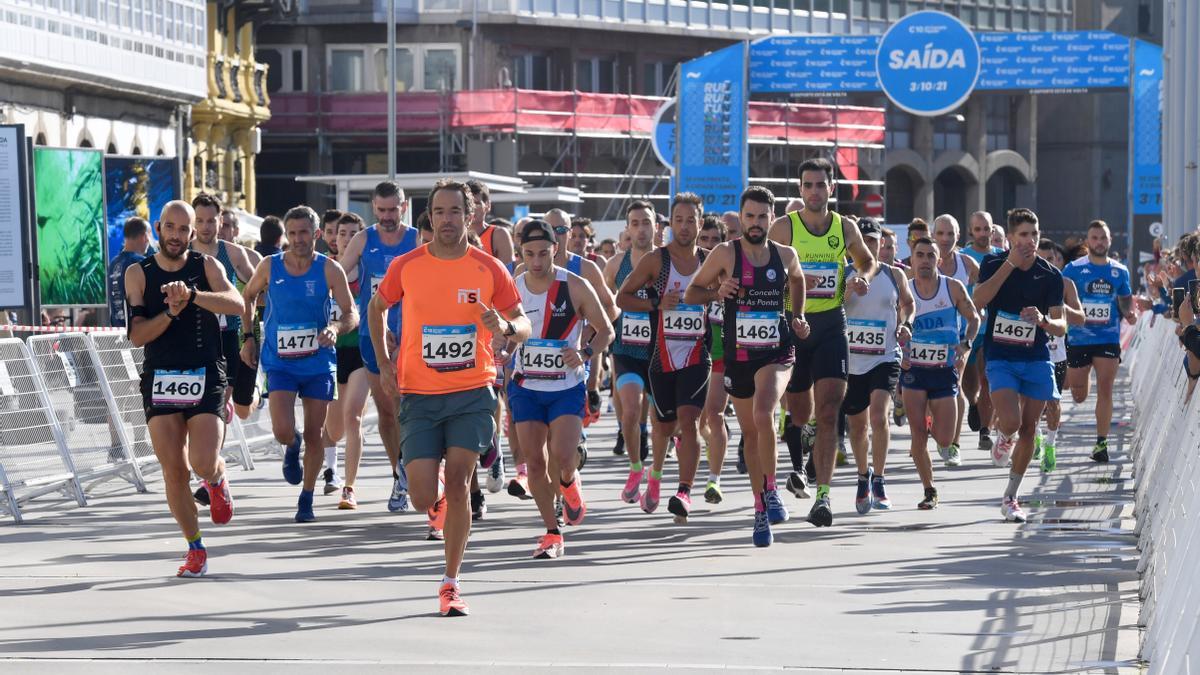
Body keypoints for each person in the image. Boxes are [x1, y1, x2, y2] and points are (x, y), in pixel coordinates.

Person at [369, 178, 531, 617]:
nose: (446, 219)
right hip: (419, 394)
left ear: (470, 214)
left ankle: (451, 582)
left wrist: (507, 329)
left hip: (472, 390)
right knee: (423, 496)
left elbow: (522, 322)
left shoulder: (488, 268)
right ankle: (434, 501)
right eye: (439, 212)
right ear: (429, 216)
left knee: (460, 481)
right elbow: (376, 308)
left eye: (455, 211)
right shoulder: (408, 265)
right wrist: (384, 363)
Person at [124, 200, 245, 577]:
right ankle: (195, 547)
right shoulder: (138, 273)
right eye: (170, 228)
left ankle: (216, 477)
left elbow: (237, 304)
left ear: (193, 234)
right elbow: (137, 335)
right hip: (160, 376)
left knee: (201, 462)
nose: (176, 236)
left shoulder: (206, 265)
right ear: (158, 228)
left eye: (183, 230)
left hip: (206, 372)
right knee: (173, 470)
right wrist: (172, 311)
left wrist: (192, 297)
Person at [686, 185, 809, 545]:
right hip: (739, 354)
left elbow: (798, 279)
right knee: (752, 434)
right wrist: (717, 293)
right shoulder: (726, 253)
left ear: (773, 218)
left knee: (763, 412)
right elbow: (693, 292)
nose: (756, 223)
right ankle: (759, 510)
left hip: (777, 350)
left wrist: (797, 315)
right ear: (741, 218)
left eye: (762, 216)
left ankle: (771, 489)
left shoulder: (785, 255)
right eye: (750, 216)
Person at [770, 158, 877, 528]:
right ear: (800, 190)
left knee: (831, 410)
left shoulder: (844, 227)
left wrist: (860, 277)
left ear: (832, 189)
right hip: (794, 325)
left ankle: (824, 497)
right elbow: (762, 272)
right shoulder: (783, 228)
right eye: (808, 185)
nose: (815, 191)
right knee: (801, 414)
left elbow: (867, 261)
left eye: (821, 185)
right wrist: (790, 285)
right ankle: (806, 432)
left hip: (831, 325)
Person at [239, 206, 357, 522]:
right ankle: (292, 445)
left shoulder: (330, 270)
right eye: (291, 233)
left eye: (303, 232)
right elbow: (247, 296)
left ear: (316, 234)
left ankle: (306, 498)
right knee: (280, 429)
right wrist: (248, 336)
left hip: (318, 363)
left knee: (316, 433)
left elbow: (351, 313)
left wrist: (334, 328)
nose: (297, 239)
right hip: (280, 362)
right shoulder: (269, 266)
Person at [507, 219, 613, 557]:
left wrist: (583, 352)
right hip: (526, 386)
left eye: (543, 253)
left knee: (564, 456)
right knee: (535, 464)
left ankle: (568, 482)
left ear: (555, 250)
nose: (536, 262)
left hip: (566, 386)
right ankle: (552, 532)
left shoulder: (575, 285)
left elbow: (606, 330)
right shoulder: (513, 287)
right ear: (520, 253)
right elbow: (504, 335)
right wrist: (503, 349)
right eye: (528, 254)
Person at [617, 193, 712, 521]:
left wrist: (717, 295)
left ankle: (684, 492)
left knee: (689, 421)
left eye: (691, 220)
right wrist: (657, 304)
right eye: (679, 220)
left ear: (701, 222)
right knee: (664, 425)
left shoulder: (711, 260)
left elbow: (730, 292)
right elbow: (622, 297)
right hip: (661, 359)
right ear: (670, 224)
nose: (685, 227)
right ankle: (654, 475)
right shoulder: (656, 261)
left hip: (698, 355)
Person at [972, 208, 1067, 523]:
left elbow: (1061, 324)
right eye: (1023, 235)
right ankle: (1003, 437)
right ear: (1011, 237)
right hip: (1000, 356)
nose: (1030, 240)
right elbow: (979, 300)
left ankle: (1011, 496)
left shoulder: (1050, 274)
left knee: (1030, 427)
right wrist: (1010, 264)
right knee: (1011, 421)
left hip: (1036, 357)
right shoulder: (993, 263)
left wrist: (1043, 320)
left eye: (1034, 234)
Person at [336, 181, 420, 514]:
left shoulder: (416, 239)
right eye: (381, 210)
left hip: (412, 335)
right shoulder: (363, 239)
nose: (387, 216)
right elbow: (338, 273)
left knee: (410, 407)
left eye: (393, 209)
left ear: (404, 205)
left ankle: (420, 469)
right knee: (387, 411)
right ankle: (399, 473)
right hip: (373, 336)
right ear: (373, 207)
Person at [843, 218, 913, 514]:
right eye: (864, 242)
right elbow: (830, 309)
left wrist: (906, 323)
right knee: (857, 428)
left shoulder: (894, 275)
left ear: (881, 245)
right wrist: (849, 290)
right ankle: (863, 477)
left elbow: (908, 303)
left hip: (884, 356)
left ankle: (881, 479)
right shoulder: (842, 274)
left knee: (878, 415)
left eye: (874, 242)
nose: (869, 247)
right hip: (851, 360)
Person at [903, 238, 979, 509]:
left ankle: (933, 421)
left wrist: (966, 343)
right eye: (919, 255)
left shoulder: (952, 287)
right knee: (917, 436)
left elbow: (974, 318)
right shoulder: (905, 291)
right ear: (911, 260)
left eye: (930, 256)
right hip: (913, 372)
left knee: (945, 439)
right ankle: (929, 490)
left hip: (945, 371)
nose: (924, 260)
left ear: (939, 259)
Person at [1061, 220, 1136, 463]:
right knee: (1078, 394)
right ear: (1088, 241)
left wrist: (1129, 313)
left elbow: (1125, 300)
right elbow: (1059, 298)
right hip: (1079, 338)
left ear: (1110, 241)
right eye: (1095, 238)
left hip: (1107, 337)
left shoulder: (1119, 271)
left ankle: (1101, 444)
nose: (1099, 242)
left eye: (1103, 238)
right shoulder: (1073, 269)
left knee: (1106, 388)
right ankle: (1084, 383)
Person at [322, 212, 372, 506]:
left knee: (353, 418)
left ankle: (349, 487)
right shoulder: (324, 270)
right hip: (330, 353)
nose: (347, 239)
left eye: (354, 234)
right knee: (334, 428)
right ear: (334, 237)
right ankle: (329, 463)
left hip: (361, 353)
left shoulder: (366, 270)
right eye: (342, 233)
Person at [191, 193, 257, 411]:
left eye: (211, 221)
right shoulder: (183, 253)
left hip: (227, 335)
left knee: (219, 402)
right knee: (198, 403)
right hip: (192, 335)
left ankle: (253, 394)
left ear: (220, 221)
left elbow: (255, 289)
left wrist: (249, 335)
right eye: (199, 221)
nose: (205, 227)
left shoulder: (234, 254)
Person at [604, 201, 657, 474]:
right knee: (630, 408)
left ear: (656, 227)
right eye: (635, 224)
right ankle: (635, 465)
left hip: (658, 349)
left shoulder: (665, 261)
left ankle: (646, 432)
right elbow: (601, 303)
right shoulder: (615, 265)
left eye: (646, 222)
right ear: (628, 229)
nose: (641, 229)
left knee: (661, 414)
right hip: (624, 348)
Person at [929, 214, 979, 459]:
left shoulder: (967, 264)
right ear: (932, 235)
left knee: (955, 385)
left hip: (958, 336)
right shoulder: (924, 261)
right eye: (940, 234)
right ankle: (935, 430)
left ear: (959, 236)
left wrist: (975, 312)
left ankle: (954, 444)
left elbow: (984, 291)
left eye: (950, 234)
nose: (945, 239)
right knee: (928, 389)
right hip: (926, 336)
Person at [1036, 239, 1085, 473]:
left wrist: (1060, 310)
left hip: (1056, 352)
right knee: (1030, 402)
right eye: (1041, 259)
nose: (1046, 264)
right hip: (1029, 350)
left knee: (1053, 402)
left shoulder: (1065, 284)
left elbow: (1080, 317)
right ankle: (1034, 435)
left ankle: (1050, 444)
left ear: (1058, 261)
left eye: (1050, 259)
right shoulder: (1024, 282)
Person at [960, 211, 1003, 451]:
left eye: (987, 229)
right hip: (968, 327)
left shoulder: (1000, 257)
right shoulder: (963, 257)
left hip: (992, 328)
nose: (983, 234)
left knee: (988, 378)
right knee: (970, 381)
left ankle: (985, 431)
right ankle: (973, 403)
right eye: (978, 229)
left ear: (992, 231)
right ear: (971, 232)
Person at [696, 214, 731, 504]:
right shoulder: (690, 275)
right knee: (699, 423)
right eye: (703, 239)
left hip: (723, 357)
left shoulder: (733, 271)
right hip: (692, 356)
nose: (709, 246)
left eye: (715, 240)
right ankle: (710, 441)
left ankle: (713, 481)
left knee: (715, 415)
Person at [109, 217, 151, 328]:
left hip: (116, 334)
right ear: (145, 236)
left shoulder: (113, 264)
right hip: (138, 332)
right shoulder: (141, 263)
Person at [466, 180, 515, 267]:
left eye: (476, 203)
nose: (471, 208)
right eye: (468, 203)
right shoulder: (454, 234)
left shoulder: (499, 235)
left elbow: (508, 274)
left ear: (488, 205)